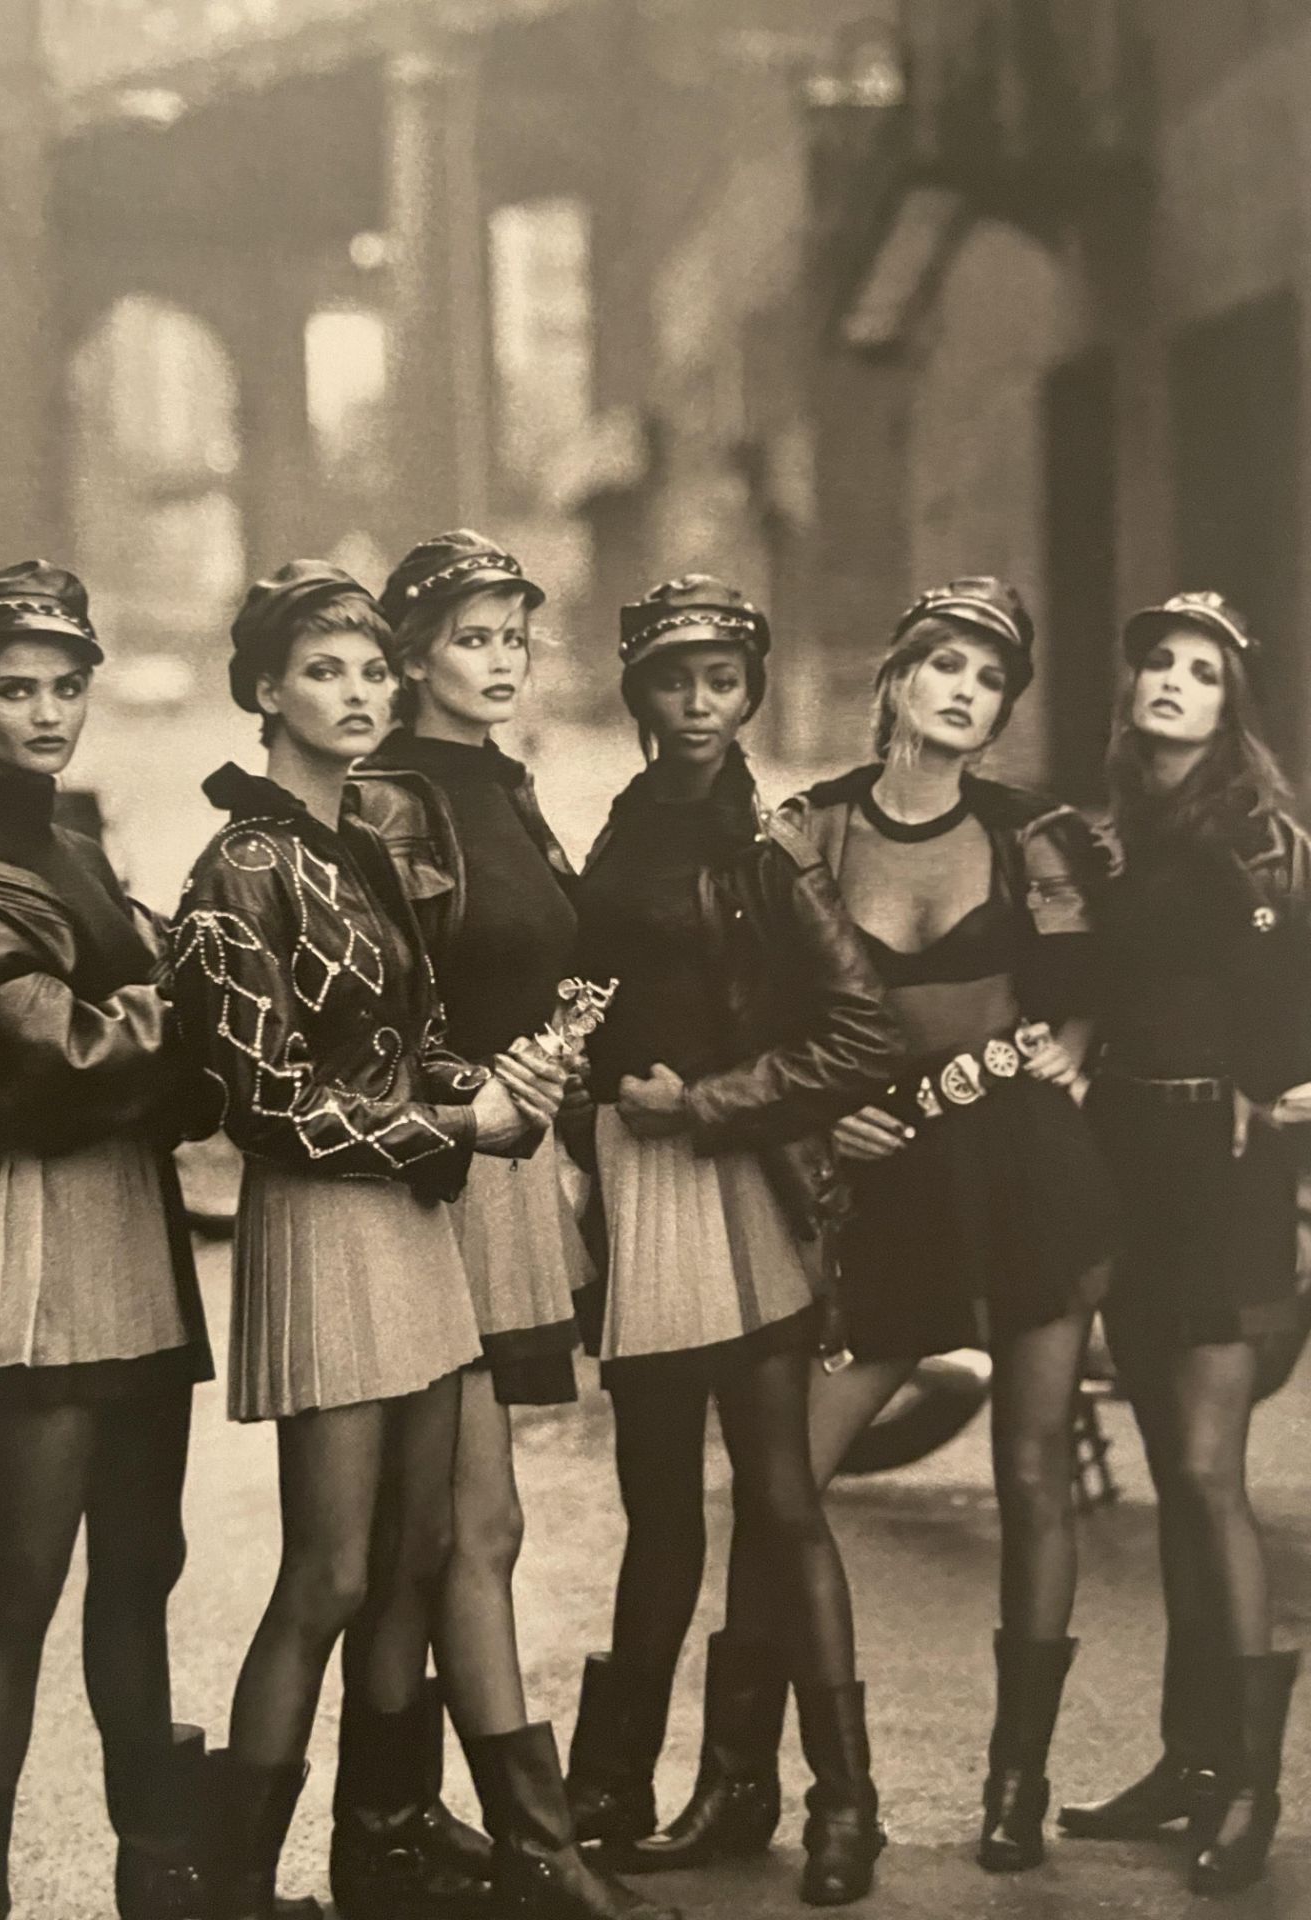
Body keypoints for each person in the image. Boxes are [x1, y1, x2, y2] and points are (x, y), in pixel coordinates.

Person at [653, 578, 1120, 1884]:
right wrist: (817, 1133)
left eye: (992, 680)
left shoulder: (1035, 839)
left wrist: (1055, 1062)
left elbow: (1083, 1004)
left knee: (1035, 1479)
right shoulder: (807, 835)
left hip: (1027, 1181)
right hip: (882, 1194)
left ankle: (1014, 1787)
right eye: (948, 667)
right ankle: (801, 1795)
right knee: (783, 1479)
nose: (968, 693)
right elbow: (763, 1022)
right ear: (898, 678)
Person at [170, 563, 584, 1920]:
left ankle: (396, 1853)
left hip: (413, 1225)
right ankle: (232, 1887)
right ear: (264, 693)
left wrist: (490, 1089)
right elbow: (270, 1101)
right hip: (331, 1229)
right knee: (331, 1570)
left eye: (366, 671)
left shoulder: (360, 842)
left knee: (407, 1557)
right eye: (322, 672)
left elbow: (410, 1043)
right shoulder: (238, 864)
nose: (355, 694)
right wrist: (453, 1132)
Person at [331, 531, 673, 1920]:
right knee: (475, 1521)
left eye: (516, 637)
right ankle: (530, 1846)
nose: (501, 661)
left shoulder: (506, 787)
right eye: (473, 638)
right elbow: (373, 1020)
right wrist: (487, 1084)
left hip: (514, 1166)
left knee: (443, 1530)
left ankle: (393, 1828)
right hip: (440, 1171)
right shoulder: (392, 802)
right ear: (412, 658)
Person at [564, 576, 900, 1907]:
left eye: (722, 681)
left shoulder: (772, 839)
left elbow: (859, 1028)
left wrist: (703, 1105)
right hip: (635, 1188)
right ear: (638, 691)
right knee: (656, 1510)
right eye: (673, 680)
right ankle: (609, 1790)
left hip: (740, 1177)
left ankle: (843, 1804)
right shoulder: (620, 825)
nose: (699, 705)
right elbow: (590, 992)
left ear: (749, 690)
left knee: (776, 1497)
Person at [0, 563, 215, 1920]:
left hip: (127, 1224)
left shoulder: (66, 842)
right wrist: (194, 1004)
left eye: (65, 686)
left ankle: (158, 1869)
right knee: (20, 1585)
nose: (46, 711)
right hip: (41, 1231)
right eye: (15, 689)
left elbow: (130, 1049)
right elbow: (62, 1062)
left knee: (141, 1569)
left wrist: (170, 1019)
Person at [1058, 592, 1306, 1893]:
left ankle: (1254, 1787)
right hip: (1135, 1179)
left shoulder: (1258, 844)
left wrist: (1288, 1083)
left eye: (1201, 670)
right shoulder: (1131, 837)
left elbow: (1289, 1013)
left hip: (1225, 1180)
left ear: (1230, 703)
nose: (1169, 680)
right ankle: (1189, 1759)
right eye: (1156, 660)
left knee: (1210, 1474)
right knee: (1172, 1477)